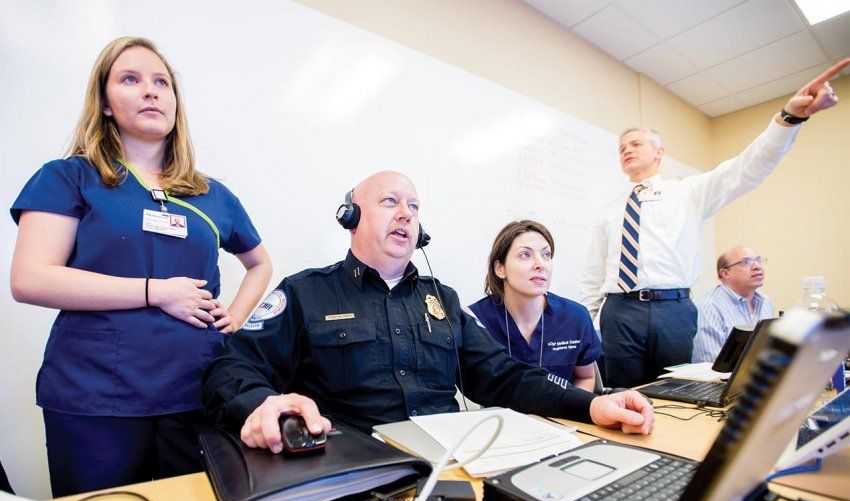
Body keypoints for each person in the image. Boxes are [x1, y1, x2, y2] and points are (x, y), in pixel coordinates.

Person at [203, 171, 654, 453]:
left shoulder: (445, 300)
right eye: (390, 202)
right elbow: (230, 366)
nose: (405, 214)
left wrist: (592, 404)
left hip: (449, 466)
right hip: (353, 464)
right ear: (351, 217)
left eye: (414, 206)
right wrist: (265, 405)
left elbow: (504, 376)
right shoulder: (305, 293)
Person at [9, 37, 272, 496]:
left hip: (195, 392)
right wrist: (156, 290)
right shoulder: (69, 177)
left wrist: (236, 315)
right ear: (105, 103)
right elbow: (30, 278)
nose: (151, 91)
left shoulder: (211, 195)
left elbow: (259, 263)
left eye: (161, 83)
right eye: (130, 79)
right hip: (95, 398)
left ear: (175, 103)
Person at [578, 60, 848, 388]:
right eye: (622, 148)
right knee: (623, 393)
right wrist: (584, 324)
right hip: (619, 312)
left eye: (636, 144)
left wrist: (789, 117)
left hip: (673, 310)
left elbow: (747, 168)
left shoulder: (688, 192)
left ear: (659, 152)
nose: (627, 150)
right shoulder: (609, 210)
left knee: (675, 392)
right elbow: (593, 275)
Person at [468, 220, 600, 392]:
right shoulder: (475, 320)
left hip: (559, 415)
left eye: (546, 255)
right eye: (525, 255)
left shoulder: (575, 317)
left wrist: (572, 410)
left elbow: (585, 377)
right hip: (500, 417)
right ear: (500, 268)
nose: (540, 264)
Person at [691, 247, 774, 364]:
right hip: (721, 379)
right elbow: (711, 365)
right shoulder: (708, 307)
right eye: (746, 262)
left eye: (758, 260)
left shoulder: (766, 302)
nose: (757, 266)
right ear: (725, 273)